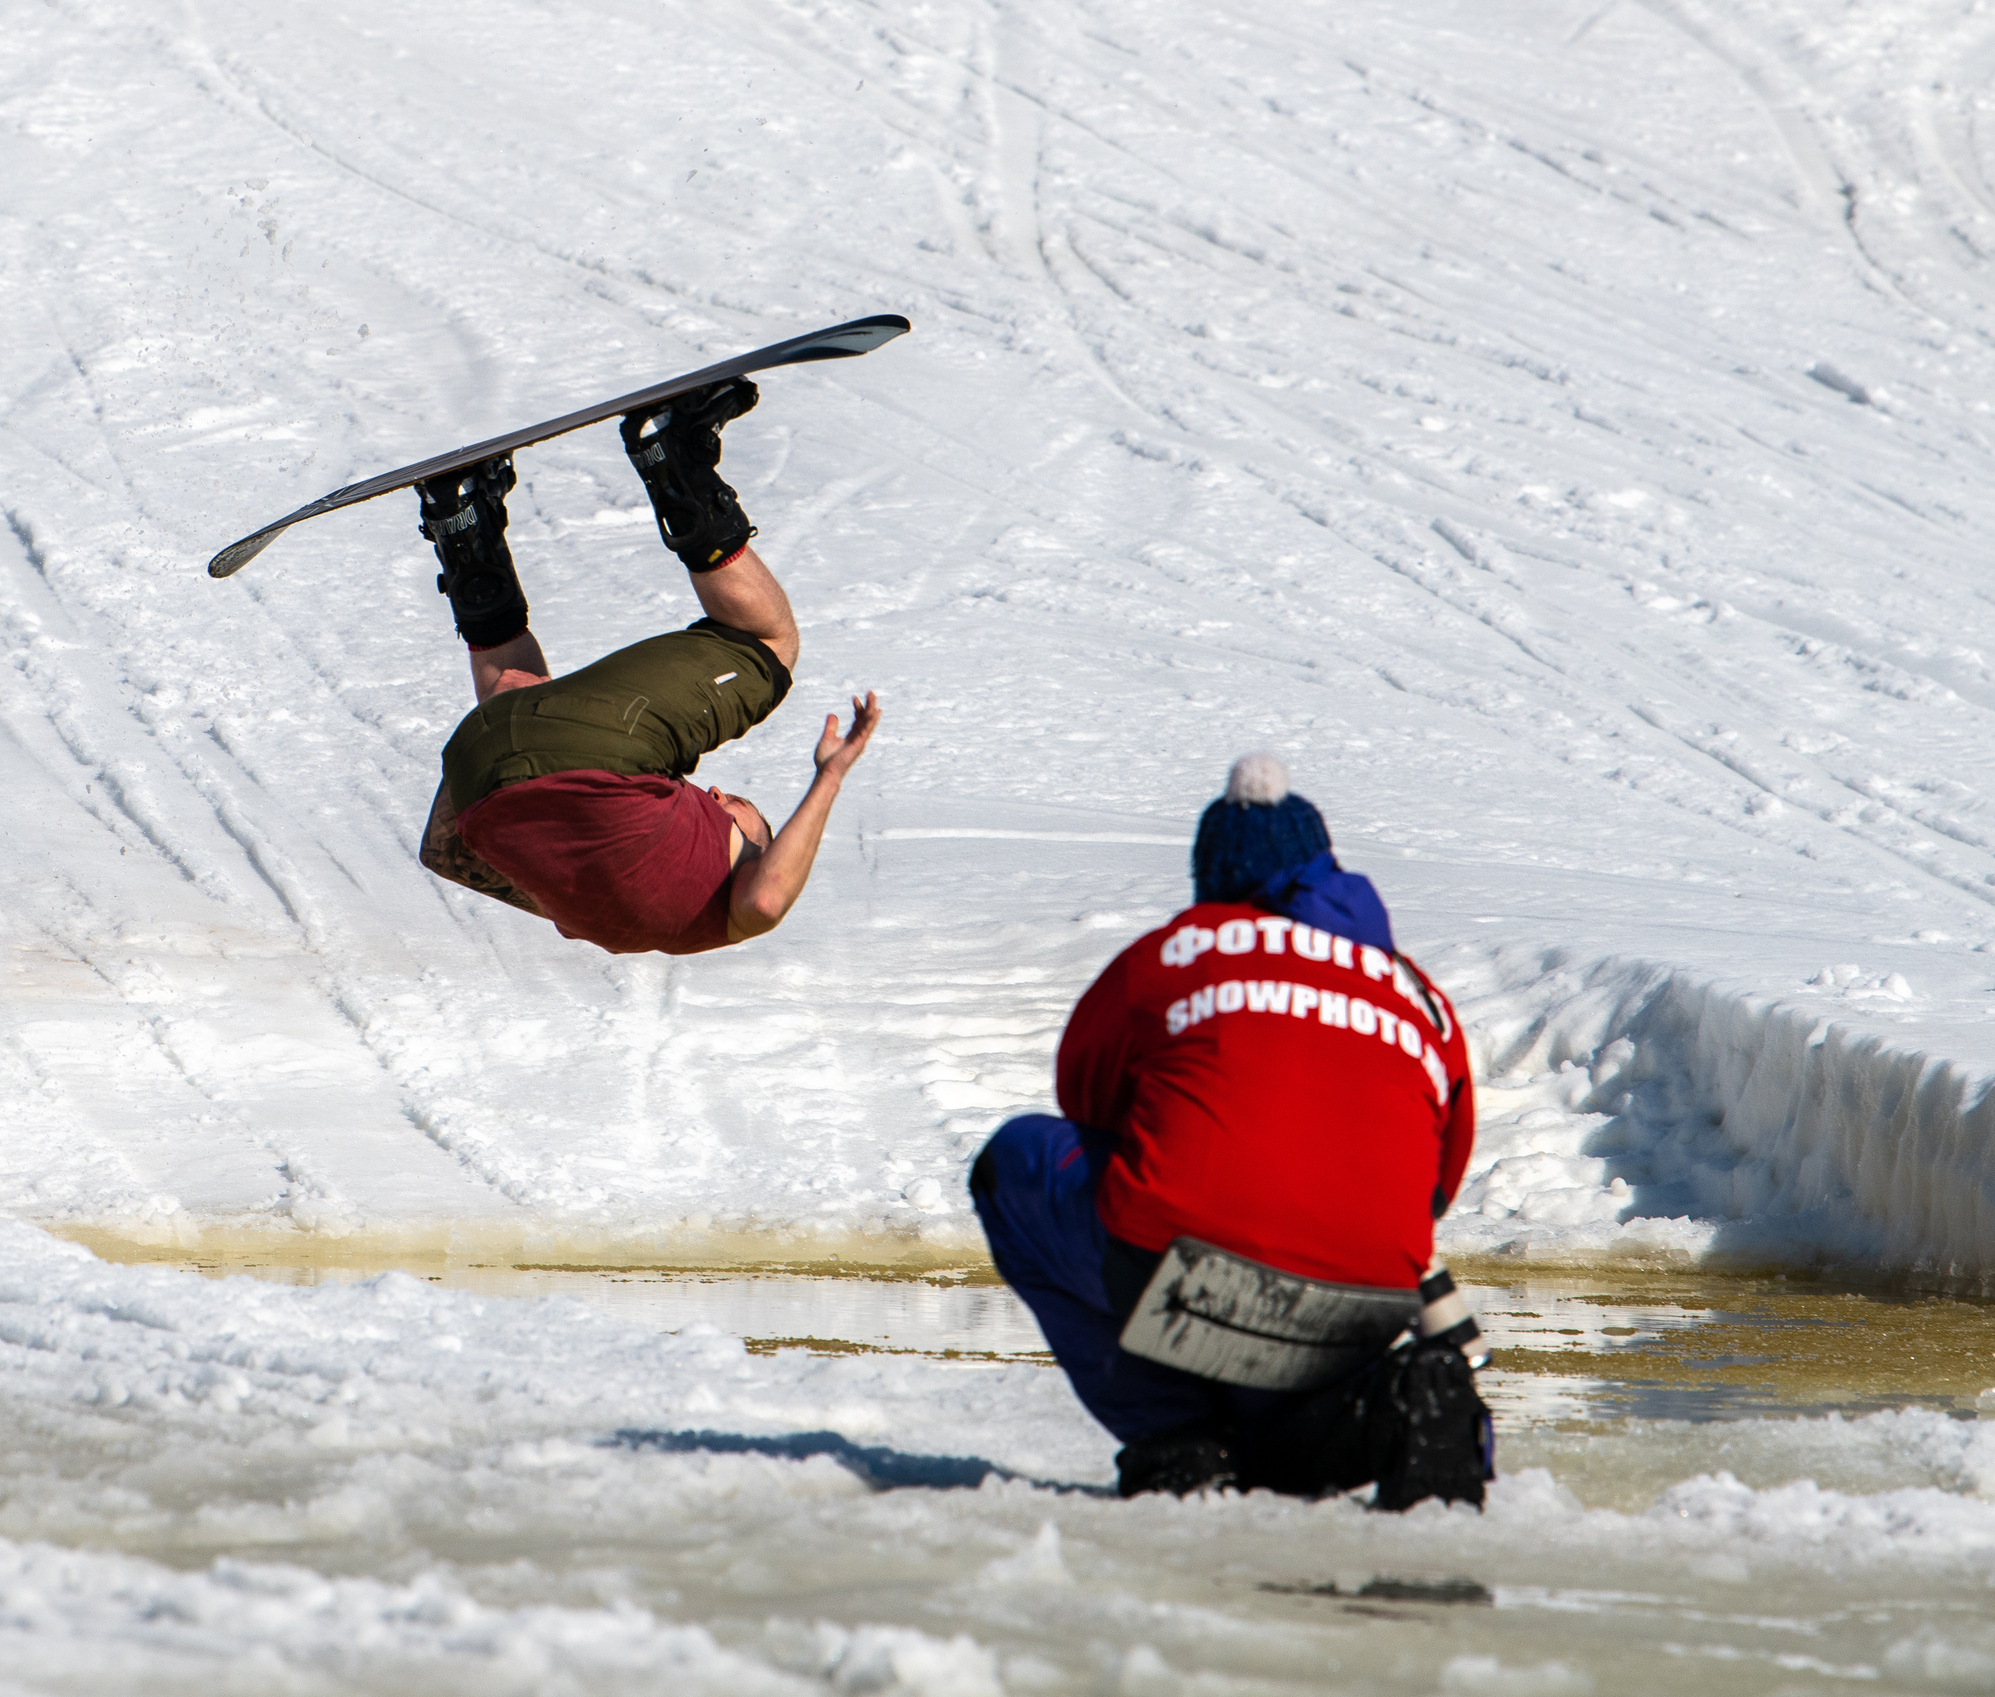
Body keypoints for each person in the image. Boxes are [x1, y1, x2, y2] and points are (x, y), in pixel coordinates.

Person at [968, 753, 1489, 1506]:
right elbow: (1439, 1180)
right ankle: (1398, 1403)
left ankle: (1178, 1439)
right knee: (1289, 1368)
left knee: (1015, 1164)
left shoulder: (1176, 953)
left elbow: (1084, 1098)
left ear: (1213, 874)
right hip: (1370, 1302)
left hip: (1188, 1271)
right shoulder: (1414, 989)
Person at [414, 378, 879, 954]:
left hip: (590, 759)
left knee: (766, 646)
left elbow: (764, 899)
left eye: (739, 811)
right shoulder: (591, 914)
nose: (712, 791)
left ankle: (673, 452)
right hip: (478, 771)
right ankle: (461, 521)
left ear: (751, 857)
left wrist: (830, 775)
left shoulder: (729, 911)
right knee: (525, 713)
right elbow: (444, 855)